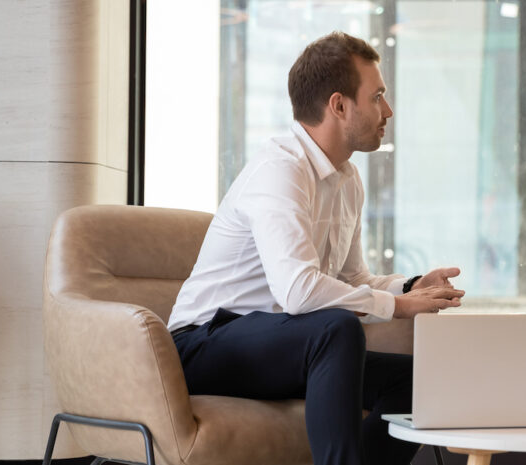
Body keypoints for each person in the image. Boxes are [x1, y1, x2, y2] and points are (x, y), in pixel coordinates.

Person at [166, 31, 466, 465]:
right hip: (204, 342)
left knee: (423, 381)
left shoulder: (348, 180)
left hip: (284, 344)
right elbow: (299, 292)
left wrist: (413, 287)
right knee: (336, 329)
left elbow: (352, 280)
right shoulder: (280, 169)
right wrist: (396, 308)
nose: (389, 110)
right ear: (339, 105)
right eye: (377, 96)